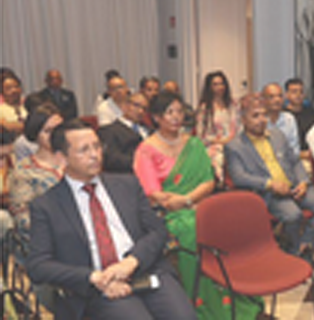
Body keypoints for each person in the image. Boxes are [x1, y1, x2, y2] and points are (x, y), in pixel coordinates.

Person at [26, 119, 196, 320]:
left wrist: (132, 261)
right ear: (61, 158)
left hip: (145, 270)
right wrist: (94, 278)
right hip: (97, 288)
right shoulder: (47, 205)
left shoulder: (126, 184)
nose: (94, 155)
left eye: (97, 146)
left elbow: (157, 231)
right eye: (84, 150)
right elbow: (38, 266)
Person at [134, 92, 262, 319]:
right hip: (166, 214)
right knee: (191, 228)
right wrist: (179, 203)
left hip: (197, 204)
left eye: (179, 111)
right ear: (156, 117)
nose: (176, 117)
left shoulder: (193, 143)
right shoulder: (146, 149)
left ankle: (233, 291)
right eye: (169, 112)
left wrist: (188, 199)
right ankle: (196, 301)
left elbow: (208, 181)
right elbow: (152, 193)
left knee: (224, 225)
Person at [225, 93, 314, 262]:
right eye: (255, 116)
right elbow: (239, 177)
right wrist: (270, 184)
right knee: (294, 215)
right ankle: (294, 251)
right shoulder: (235, 146)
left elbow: (295, 161)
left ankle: (305, 243)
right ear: (243, 120)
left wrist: (303, 181)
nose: (261, 120)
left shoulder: (277, 135)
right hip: (270, 193)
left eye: (264, 115)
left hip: (294, 185)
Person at [8, 104, 64, 246]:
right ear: (36, 134)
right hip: (47, 242)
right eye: (48, 131)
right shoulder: (24, 171)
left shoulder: (76, 161)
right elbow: (24, 221)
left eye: (59, 129)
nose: (55, 136)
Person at [195, 71, 239, 184]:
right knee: (216, 157)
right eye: (215, 84)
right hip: (214, 143)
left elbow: (239, 127)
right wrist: (220, 141)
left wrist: (231, 139)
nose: (220, 87)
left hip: (235, 141)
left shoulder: (233, 105)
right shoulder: (205, 108)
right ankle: (219, 183)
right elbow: (201, 135)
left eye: (221, 83)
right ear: (209, 87)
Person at [98, 93, 149, 173]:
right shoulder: (109, 131)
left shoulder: (151, 130)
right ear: (124, 106)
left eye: (144, 109)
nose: (141, 111)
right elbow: (111, 159)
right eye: (136, 105)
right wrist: (141, 162)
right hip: (127, 175)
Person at [284, 78, 314, 165]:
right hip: (292, 157)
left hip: (313, 154)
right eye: (294, 92)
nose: (298, 95)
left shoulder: (311, 112)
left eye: (301, 92)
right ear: (287, 95)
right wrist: (301, 154)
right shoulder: (283, 115)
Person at [262, 82, 300, 157]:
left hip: (285, 161)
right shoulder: (258, 120)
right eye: (271, 97)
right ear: (263, 100)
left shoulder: (289, 119)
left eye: (280, 96)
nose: (277, 100)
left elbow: (294, 149)